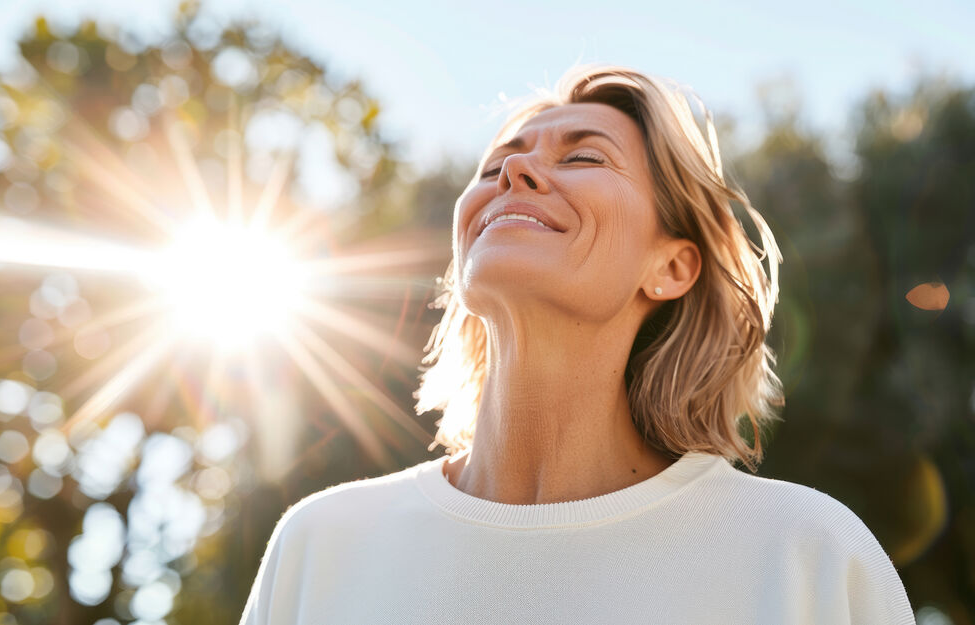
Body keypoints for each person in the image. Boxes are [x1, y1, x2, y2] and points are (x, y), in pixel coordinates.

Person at [238, 65, 916, 624]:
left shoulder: (804, 555)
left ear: (672, 266)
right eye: (494, 166)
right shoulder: (321, 545)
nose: (515, 172)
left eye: (584, 156)